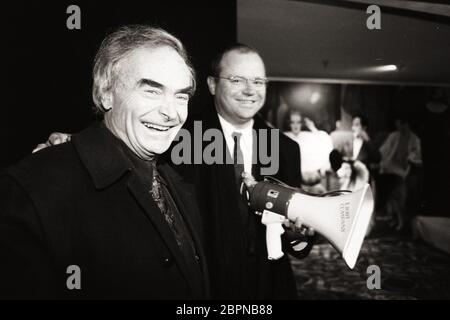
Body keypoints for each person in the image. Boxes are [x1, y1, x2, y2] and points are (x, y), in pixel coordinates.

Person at [33, 44, 315, 299]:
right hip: (207, 289)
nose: (250, 90)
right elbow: (121, 143)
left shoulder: (285, 148)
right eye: (237, 80)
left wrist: (299, 232)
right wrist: (73, 146)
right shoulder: (176, 136)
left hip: (271, 287)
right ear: (213, 85)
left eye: (257, 81)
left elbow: (294, 237)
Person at [0, 25, 209, 299]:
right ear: (105, 94)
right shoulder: (36, 187)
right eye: (152, 91)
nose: (171, 112)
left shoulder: (180, 187)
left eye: (181, 95)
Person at [379, 117, 422, 231]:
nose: (399, 127)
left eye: (401, 124)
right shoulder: (394, 136)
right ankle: (396, 219)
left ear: (406, 124)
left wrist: (410, 160)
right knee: (392, 197)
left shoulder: (414, 139)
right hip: (391, 169)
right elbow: (384, 152)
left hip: (405, 171)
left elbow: (416, 157)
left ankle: (403, 221)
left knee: (400, 197)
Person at [284, 110, 333, 193]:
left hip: (314, 183)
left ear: (302, 123)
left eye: (298, 122)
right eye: (293, 122)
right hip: (296, 185)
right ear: (289, 123)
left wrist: (312, 127)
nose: (296, 125)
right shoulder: (285, 136)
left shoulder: (308, 136)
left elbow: (326, 142)